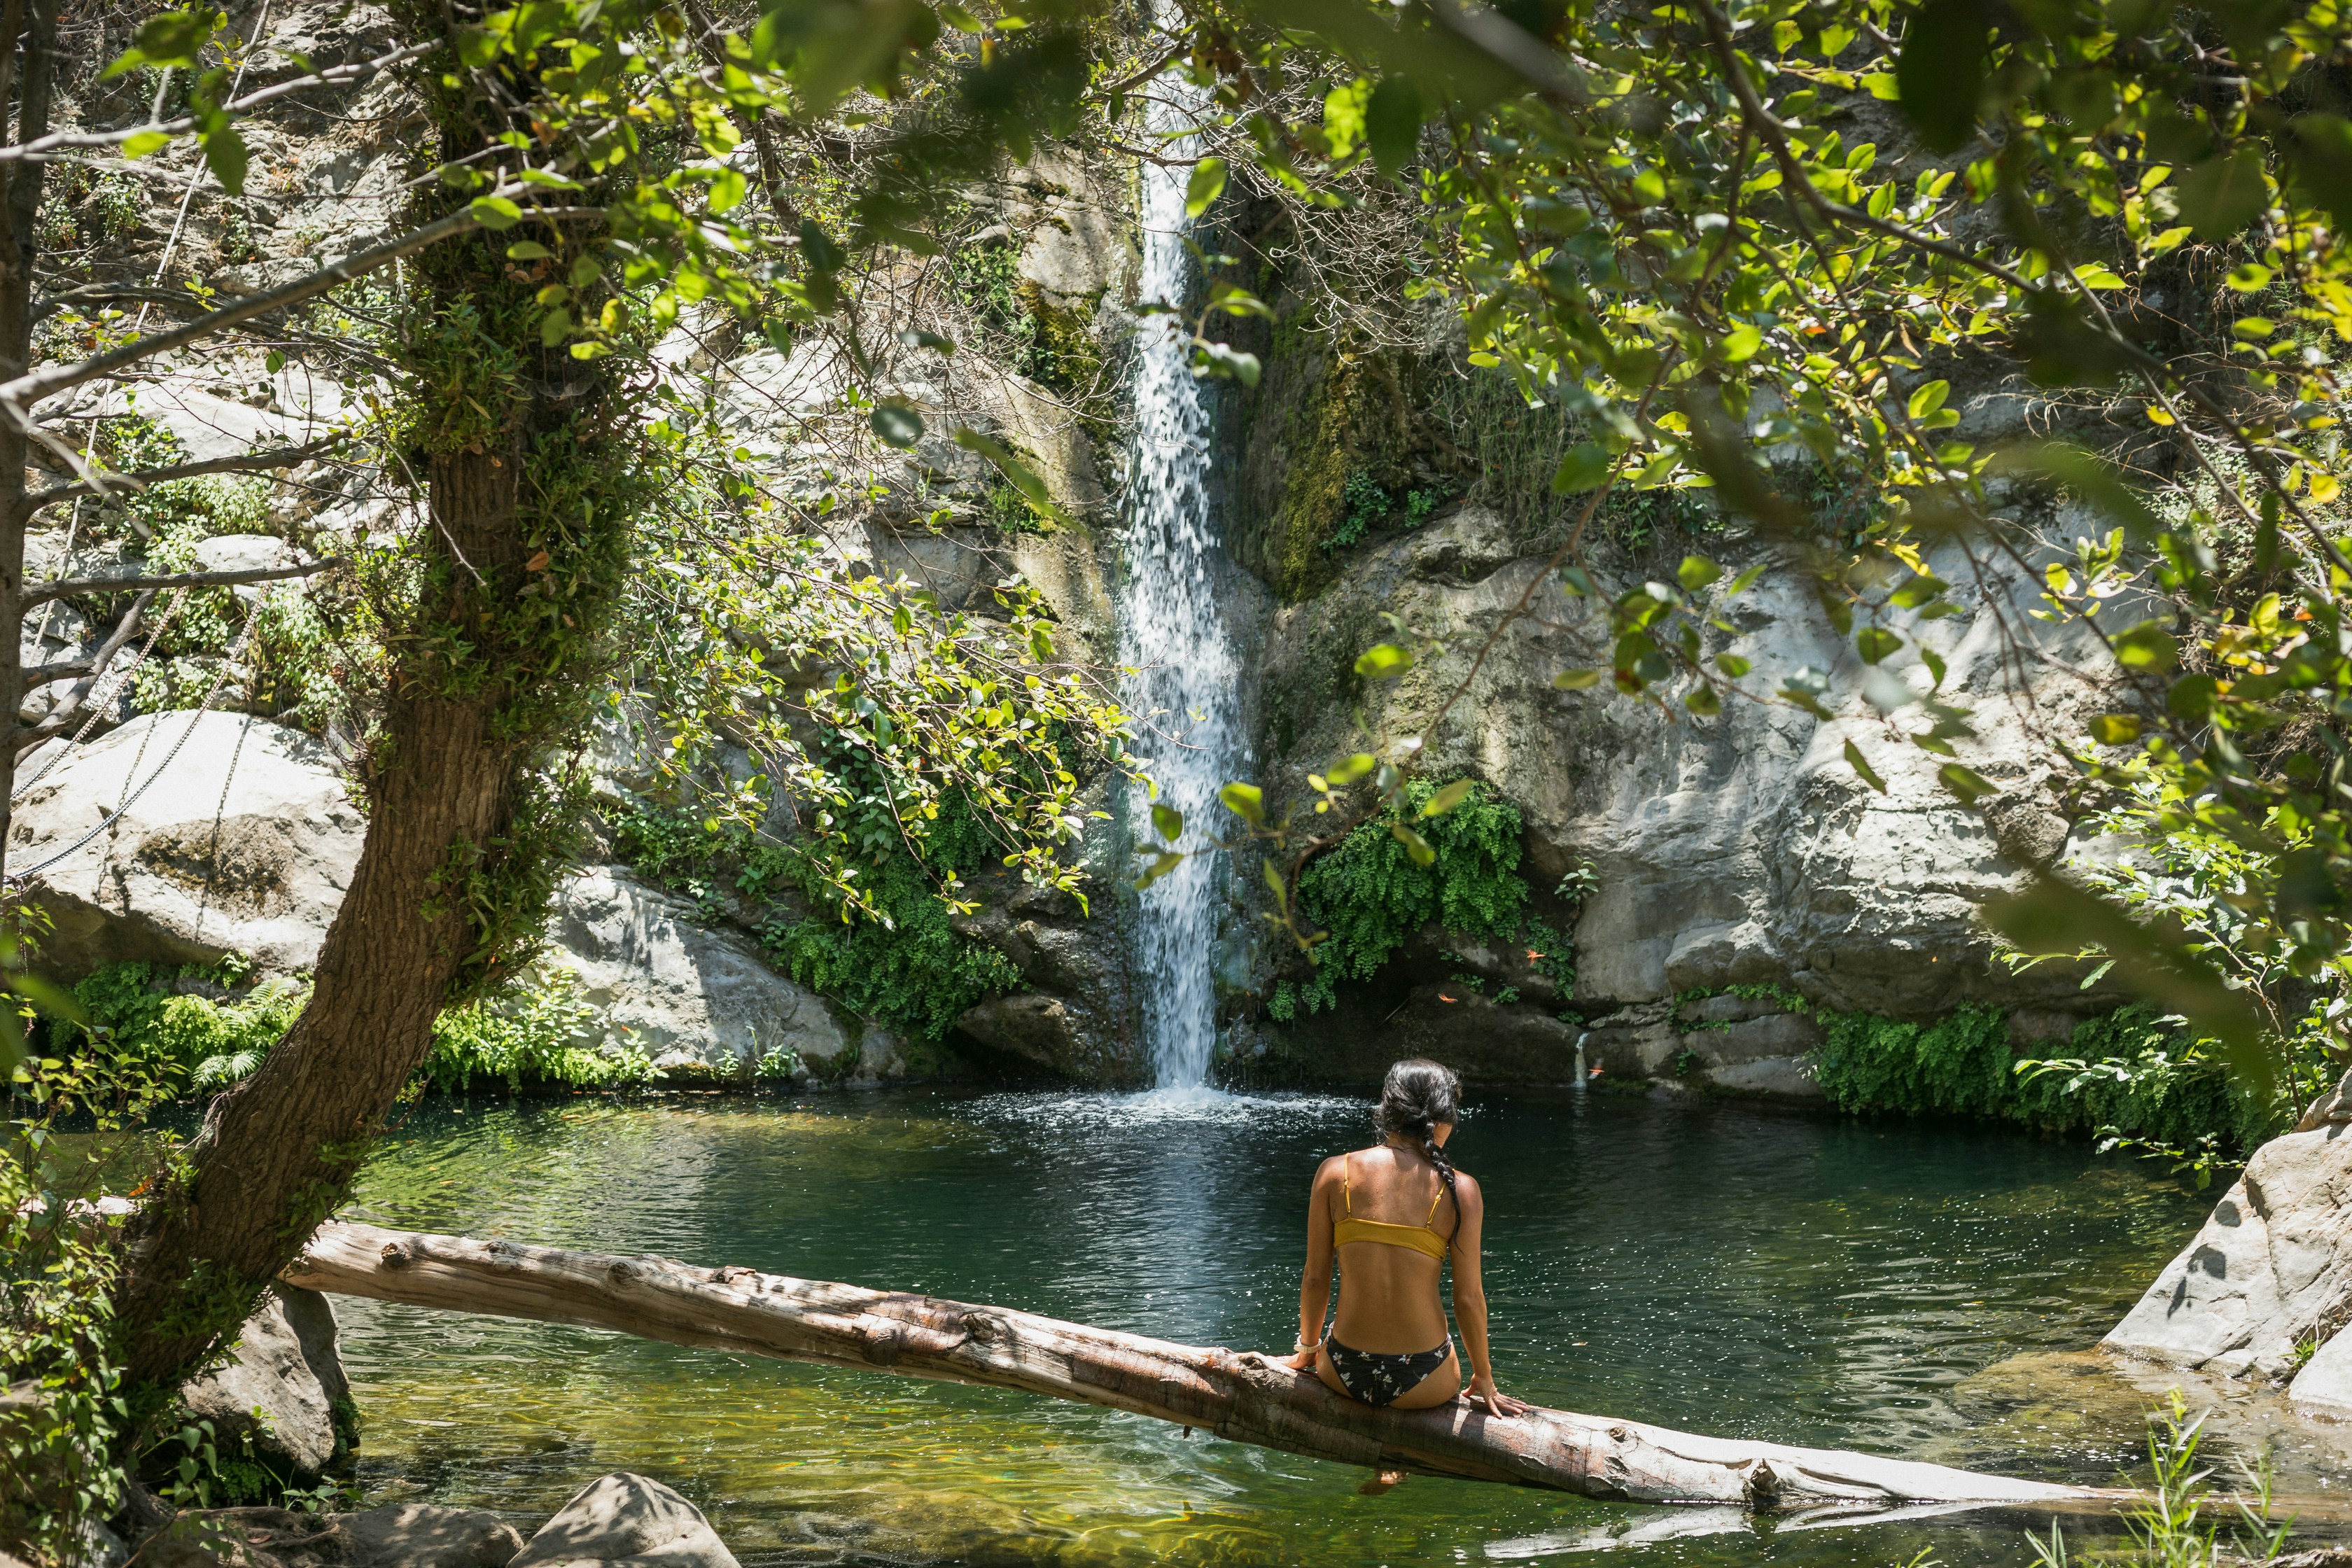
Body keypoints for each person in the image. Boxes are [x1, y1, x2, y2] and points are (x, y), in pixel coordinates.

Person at [1282, 1057, 1528, 1490]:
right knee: (1427, 1363)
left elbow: (1316, 1278)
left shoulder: (1335, 1173)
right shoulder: (1460, 1189)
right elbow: (1468, 1298)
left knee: (1344, 1346)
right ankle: (1399, 1455)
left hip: (1342, 1370)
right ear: (1444, 1118)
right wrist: (1484, 1378)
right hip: (1426, 1379)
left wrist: (1307, 1349)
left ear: (1386, 1110)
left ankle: (1379, 1450)